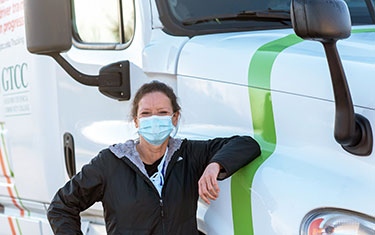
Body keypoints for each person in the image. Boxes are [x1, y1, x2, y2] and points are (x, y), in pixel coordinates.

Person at [47, 81, 261, 235]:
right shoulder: (110, 162)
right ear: (136, 121)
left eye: (162, 113)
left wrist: (214, 165)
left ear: (175, 118)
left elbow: (246, 144)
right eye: (146, 114)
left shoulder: (187, 154)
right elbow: (61, 207)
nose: (154, 120)